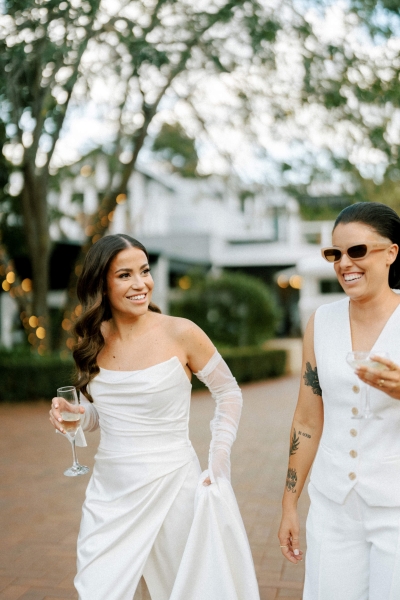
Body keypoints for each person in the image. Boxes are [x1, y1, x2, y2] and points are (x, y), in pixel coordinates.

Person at [49, 234, 259, 600]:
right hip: (110, 493)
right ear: (102, 284)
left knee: (182, 588)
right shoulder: (92, 341)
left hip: (174, 484)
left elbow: (228, 392)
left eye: (144, 271)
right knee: (98, 589)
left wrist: (219, 458)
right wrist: (78, 415)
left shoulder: (182, 332)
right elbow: (105, 415)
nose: (141, 283)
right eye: (125, 275)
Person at [278, 202, 400, 600]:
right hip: (333, 508)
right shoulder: (321, 321)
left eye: (357, 251)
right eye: (335, 253)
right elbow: (307, 420)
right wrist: (290, 503)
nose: (345, 263)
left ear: (391, 253)